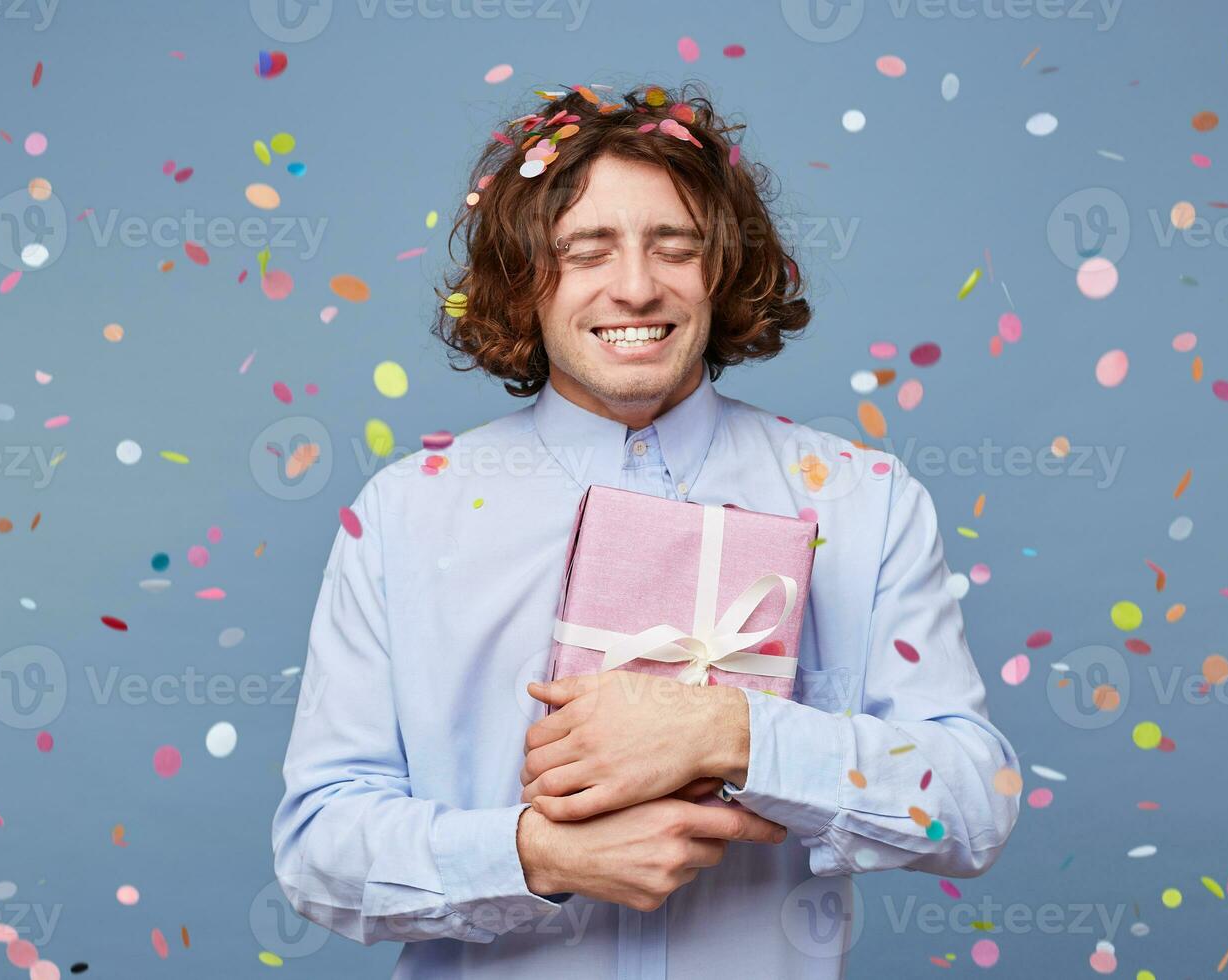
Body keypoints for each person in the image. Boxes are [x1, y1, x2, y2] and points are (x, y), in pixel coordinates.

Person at [271, 80, 1019, 978]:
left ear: (722, 269)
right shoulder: (404, 515)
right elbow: (318, 847)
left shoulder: (863, 500)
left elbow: (974, 804)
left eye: (675, 248)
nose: (635, 288)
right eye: (585, 251)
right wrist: (537, 856)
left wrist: (731, 733)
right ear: (525, 280)